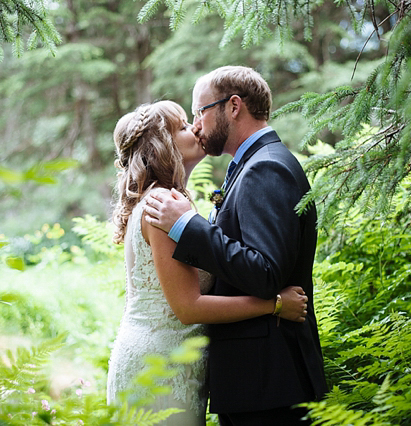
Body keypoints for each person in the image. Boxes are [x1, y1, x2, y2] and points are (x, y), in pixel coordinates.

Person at [144, 66, 328, 425]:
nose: (196, 125)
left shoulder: (266, 168)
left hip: (269, 381)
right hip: (258, 381)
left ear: (233, 106)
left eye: (200, 111)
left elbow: (265, 272)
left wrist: (187, 225)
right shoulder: (251, 164)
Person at [106, 100, 309, 426]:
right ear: (164, 143)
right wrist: (274, 304)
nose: (196, 128)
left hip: (173, 362)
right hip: (161, 369)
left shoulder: (167, 201)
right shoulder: (162, 205)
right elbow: (188, 307)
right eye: (184, 126)